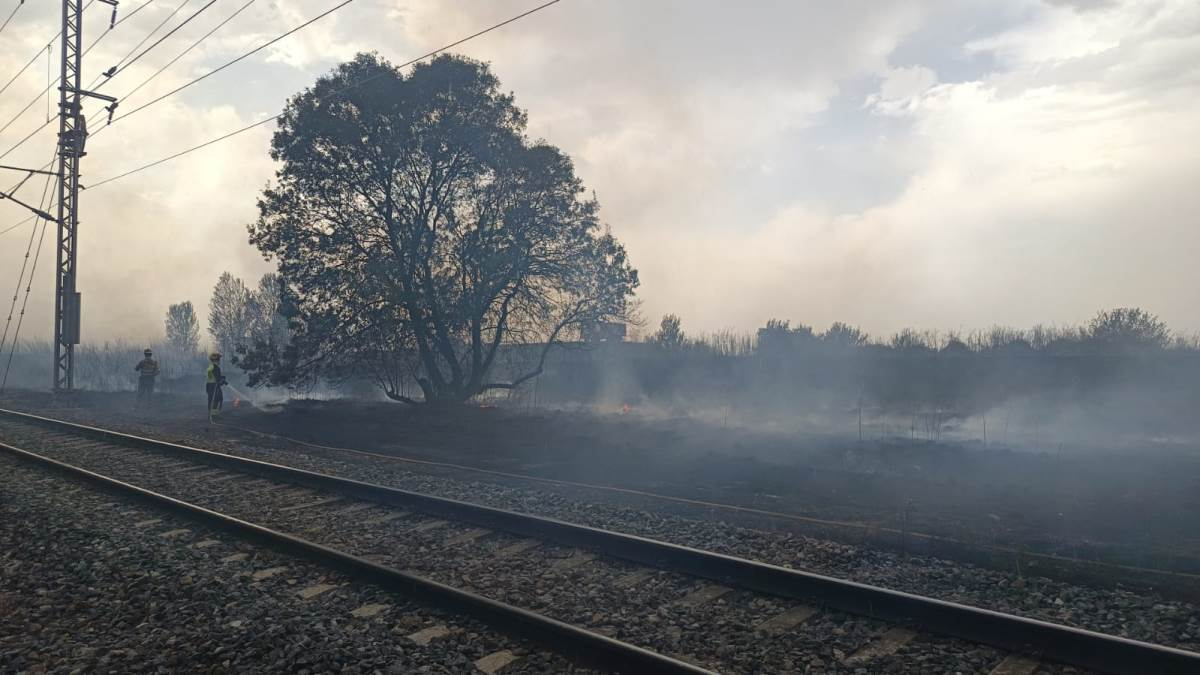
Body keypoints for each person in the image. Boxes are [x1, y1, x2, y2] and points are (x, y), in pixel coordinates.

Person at [206, 352, 227, 419]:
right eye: (218, 359)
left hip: (209, 385)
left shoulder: (211, 366)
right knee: (217, 399)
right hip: (214, 386)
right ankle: (214, 415)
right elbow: (217, 378)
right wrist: (222, 381)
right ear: (215, 360)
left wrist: (222, 379)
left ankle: (211, 414)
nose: (219, 361)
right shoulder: (215, 367)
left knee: (212, 400)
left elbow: (212, 376)